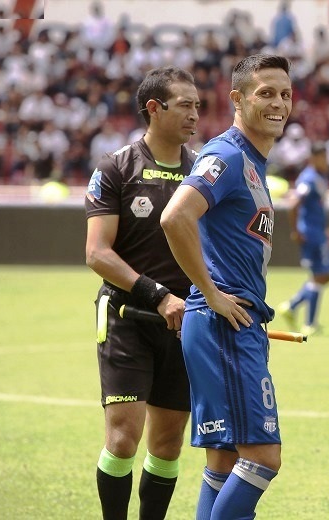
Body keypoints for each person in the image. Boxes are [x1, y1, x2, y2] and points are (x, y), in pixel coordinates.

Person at [160, 54, 292, 520]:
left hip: (228, 324)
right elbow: (175, 216)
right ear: (237, 98)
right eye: (265, 93)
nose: (279, 103)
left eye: (285, 94)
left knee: (223, 460)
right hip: (224, 325)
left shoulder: (251, 161)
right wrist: (211, 293)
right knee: (263, 457)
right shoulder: (229, 155)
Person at [84, 66, 200, 520]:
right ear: (154, 108)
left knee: (168, 444)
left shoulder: (203, 170)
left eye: (197, 106)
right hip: (127, 318)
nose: (195, 115)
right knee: (122, 438)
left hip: (184, 324)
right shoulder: (116, 167)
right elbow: (97, 253)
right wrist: (157, 294)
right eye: (185, 105)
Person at [277, 141, 329, 336]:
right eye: (323, 157)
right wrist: (296, 230)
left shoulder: (319, 177)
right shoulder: (308, 179)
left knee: (321, 276)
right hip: (311, 233)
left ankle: (293, 307)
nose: (326, 161)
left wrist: (326, 229)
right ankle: (309, 323)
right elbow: (294, 203)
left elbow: (318, 207)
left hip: (318, 231)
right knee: (321, 275)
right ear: (314, 158)